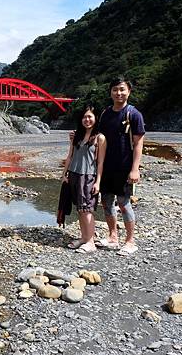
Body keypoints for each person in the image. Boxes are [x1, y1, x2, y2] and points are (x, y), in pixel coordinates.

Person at [97, 77, 145, 256]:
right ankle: (112, 237)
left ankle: (130, 241)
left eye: (122, 89)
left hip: (124, 167)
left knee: (124, 204)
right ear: (110, 92)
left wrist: (135, 168)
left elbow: (139, 143)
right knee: (106, 202)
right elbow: (99, 139)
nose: (119, 93)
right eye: (115, 89)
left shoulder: (133, 114)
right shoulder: (105, 114)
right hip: (106, 166)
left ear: (129, 92)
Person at [61, 105, 106, 253]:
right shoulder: (77, 136)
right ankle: (84, 237)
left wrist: (98, 182)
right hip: (74, 175)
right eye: (84, 117)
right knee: (80, 209)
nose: (87, 120)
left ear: (96, 118)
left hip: (88, 177)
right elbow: (70, 156)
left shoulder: (100, 138)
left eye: (90, 117)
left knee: (87, 209)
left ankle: (90, 242)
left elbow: (100, 162)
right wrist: (64, 174)